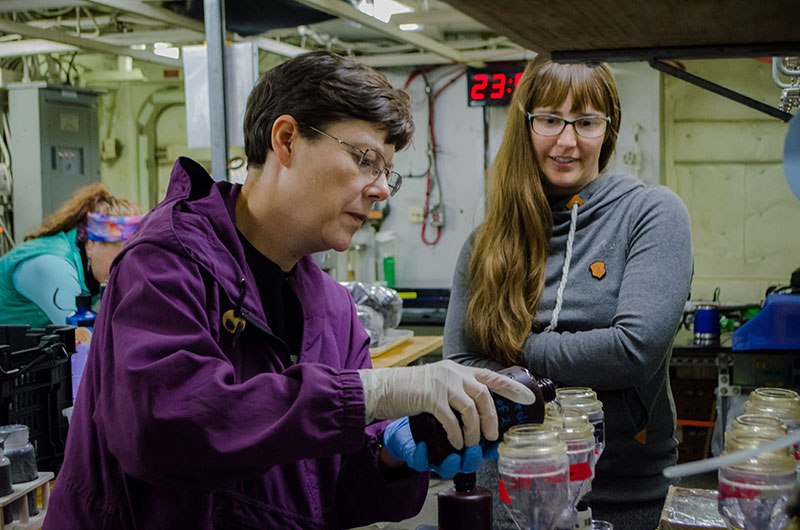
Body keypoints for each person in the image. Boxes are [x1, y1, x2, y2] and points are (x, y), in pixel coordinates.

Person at [44, 51, 534, 530]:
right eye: (366, 159)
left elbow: (333, 496)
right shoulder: (167, 262)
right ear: (286, 140)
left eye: (388, 171)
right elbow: (166, 429)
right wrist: (375, 391)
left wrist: (393, 455)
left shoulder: (334, 309)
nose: (381, 188)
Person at [443, 56, 694, 529]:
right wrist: (580, 354)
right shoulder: (485, 243)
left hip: (626, 498)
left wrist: (510, 350)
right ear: (526, 125)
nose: (567, 139)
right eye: (550, 119)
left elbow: (632, 351)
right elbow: (458, 366)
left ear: (608, 128)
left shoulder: (650, 214)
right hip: (511, 497)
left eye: (586, 121)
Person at [0, 183, 141, 327]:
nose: (128, 269)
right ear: (92, 243)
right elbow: (85, 342)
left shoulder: (89, 267)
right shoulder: (55, 267)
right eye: (121, 258)